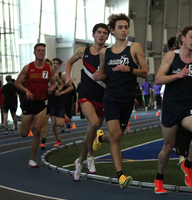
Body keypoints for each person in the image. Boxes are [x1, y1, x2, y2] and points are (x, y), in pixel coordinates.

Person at [92, 13, 148, 188]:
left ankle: (100, 138)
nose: (124, 30)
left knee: (117, 135)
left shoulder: (135, 47)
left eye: (126, 27)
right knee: (116, 136)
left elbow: (145, 72)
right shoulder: (105, 52)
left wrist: (129, 68)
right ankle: (121, 176)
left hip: (127, 98)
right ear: (113, 31)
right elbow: (103, 72)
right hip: (111, 98)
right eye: (120, 28)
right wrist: (97, 76)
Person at [153, 26, 192, 194]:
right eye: (191, 37)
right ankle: (159, 178)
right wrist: (178, 75)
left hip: (188, 105)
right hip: (171, 107)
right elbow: (158, 79)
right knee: (168, 147)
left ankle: (187, 165)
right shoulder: (171, 56)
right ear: (182, 38)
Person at [65, 23, 110, 181]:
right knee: (94, 124)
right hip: (85, 94)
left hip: (102, 96)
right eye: (99, 32)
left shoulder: (109, 53)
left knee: (92, 131)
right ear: (93, 34)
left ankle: (80, 161)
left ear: (107, 36)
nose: (102, 35)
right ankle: (90, 157)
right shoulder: (82, 51)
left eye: (105, 33)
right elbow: (69, 62)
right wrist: (68, 76)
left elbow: (112, 75)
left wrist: (104, 75)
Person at [15, 43, 56, 168]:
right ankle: (30, 123)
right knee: (24, 133)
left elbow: (54, 84)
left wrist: (51, 88)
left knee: (38, 130)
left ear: (45, 53)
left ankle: (32, 159)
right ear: (34, 53)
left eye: (43, 51)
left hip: (42, 103)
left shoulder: (49, 68)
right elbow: (17, 83)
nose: (41, 53)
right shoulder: (28, 68)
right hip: (28, 103)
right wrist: (26, 90)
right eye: (39, 51)